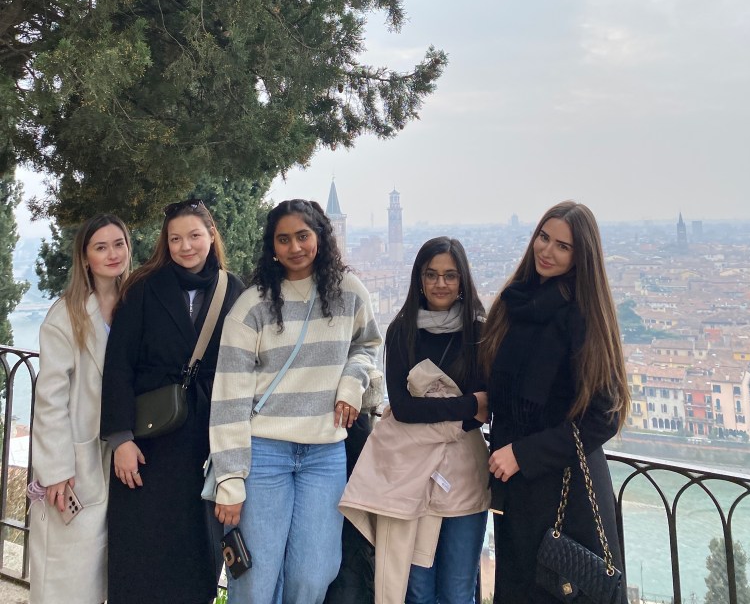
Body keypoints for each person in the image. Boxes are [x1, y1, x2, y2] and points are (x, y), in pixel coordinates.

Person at [210, 198, 382, 604]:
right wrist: (230, 478)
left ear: (320, 237)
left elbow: (368, 346)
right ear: (272, 246)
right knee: (254, 576)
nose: (295, 247)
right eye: (283, 239)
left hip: (325, 454)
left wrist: (350, 384)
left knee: (314, 573)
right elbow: (229, 395)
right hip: (265, 452)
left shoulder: (350, 293)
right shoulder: (252, 305)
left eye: (303, 236)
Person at [481, 201, 631, 604]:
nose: (547, 251)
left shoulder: (582, 316)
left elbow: (606, 415)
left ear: (581, 256)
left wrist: (524, 454)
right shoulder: (517, 303)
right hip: (516, 490)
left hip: (566, 491)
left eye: (562, 246)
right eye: (543, 238)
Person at [100, 199, 244, 604]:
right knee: (141, 551)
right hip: (148, 443)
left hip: (205, 440)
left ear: (211, 236)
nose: (185, 246)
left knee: (196, 551)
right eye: (175, 238)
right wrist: (120, 438)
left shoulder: (234, 290)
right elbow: (118, 366)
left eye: (194, 236)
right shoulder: (144, 287)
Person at [341, 236, 489, 604]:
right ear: (419, 279)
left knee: (457, 591)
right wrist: (468, 403)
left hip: (464, 475)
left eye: (450, 276)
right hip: (410, 476)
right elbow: (405, 408)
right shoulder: (402, 330)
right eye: (432, 274)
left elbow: (486, 409)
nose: (441, 284)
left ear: (462, 281)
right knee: (417, 589)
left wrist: (456, 408)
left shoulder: (480, 332)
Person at [29, 214, 131, 604]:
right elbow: (50, 399)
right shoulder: (65, 315)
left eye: (118, 244)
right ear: (85, 257)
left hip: (122, 462)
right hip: (76, 467)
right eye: (100, 247)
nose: (111, 254)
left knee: (109, 576)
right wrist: (56, 471)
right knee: (67, 580)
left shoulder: (133, 305)